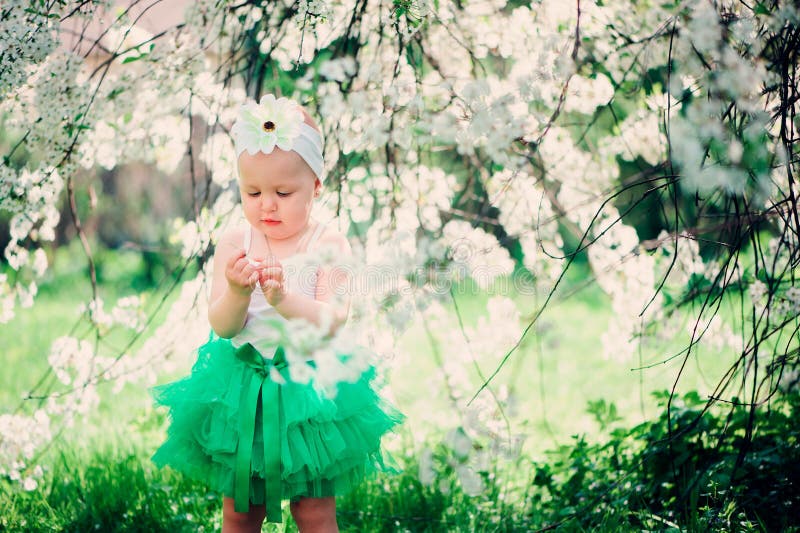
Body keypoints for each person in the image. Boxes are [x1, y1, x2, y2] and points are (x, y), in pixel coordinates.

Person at [149, 94, 405, 532]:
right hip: (244, 390)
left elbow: (333, 320)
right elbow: (224, 326)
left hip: (309, 394)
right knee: (240, 509)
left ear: (317, 187)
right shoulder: (236, 243)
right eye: (253, 192)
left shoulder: (331, 244)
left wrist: (284, 299)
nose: (267, 204)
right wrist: (235, 290)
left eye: (283, 193)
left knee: (314, 509)